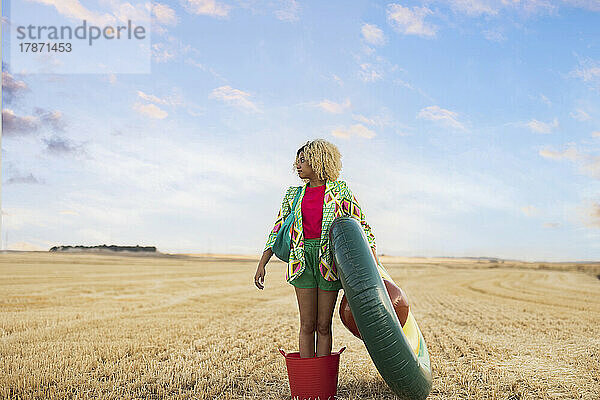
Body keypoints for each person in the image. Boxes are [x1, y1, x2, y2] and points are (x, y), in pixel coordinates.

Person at [254, 139, 380, 358]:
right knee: (306, 325)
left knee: (323, 326)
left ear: (318, 161)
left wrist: (374, 265)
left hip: (329, 261)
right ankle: (307, 385)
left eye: (303, 160)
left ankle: (321, 384)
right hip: (301, 261)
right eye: (297, 161)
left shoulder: (340, 192)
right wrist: (262, 263)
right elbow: (276, 230)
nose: (297, 165)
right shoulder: (292, 195)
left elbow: (362, 227)